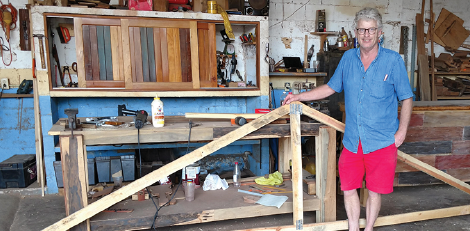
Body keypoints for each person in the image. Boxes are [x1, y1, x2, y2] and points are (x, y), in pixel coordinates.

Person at [283, 7, 413, 231]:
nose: (366, 34)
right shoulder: (347, 58)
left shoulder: (393, 61)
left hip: (381, 140)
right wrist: (299, 97)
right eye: (362, 29)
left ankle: (369, 227)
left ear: (379, 33)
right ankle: (354, 228)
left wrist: (401, 131)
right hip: (353, 140)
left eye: (371, 30)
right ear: (355, 32)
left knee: (374, 190)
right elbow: (331, 88)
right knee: (349, 186)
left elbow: (407, 98)